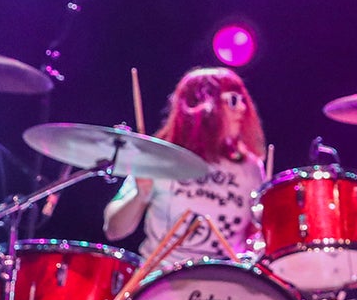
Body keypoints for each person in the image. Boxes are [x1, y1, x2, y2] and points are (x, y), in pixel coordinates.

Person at [101, 67, 267, 268]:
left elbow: (258, 232)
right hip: (162, 281)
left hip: (226, 283)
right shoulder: (158, 158)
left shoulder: (251, 167)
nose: (242, 108)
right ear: (203, 106)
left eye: (243, 100)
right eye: (233, 100)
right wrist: (140, 194)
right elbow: (113, 230)